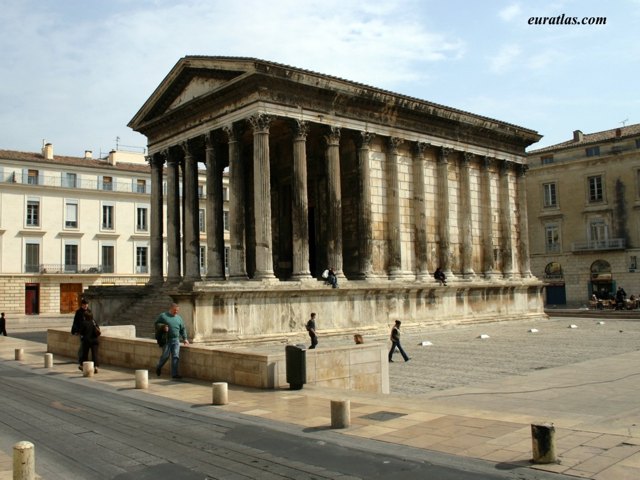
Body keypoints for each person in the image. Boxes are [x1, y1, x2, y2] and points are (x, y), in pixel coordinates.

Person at [155, 303, 189, 379]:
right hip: (166, 340)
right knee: (165, 356)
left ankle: (175, 374)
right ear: (171, 309)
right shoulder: (163, 316)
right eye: (175, 310)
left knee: (175, 356)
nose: (176, 312)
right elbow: (156, 324)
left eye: (177, 311)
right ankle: (158, 366)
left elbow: (183, 329)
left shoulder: (179, 318)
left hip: (176, 340)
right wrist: (163, 327)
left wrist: (185, 339)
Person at [71, 299, 90, 364]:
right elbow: (75, 321)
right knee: (82, 345)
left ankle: (84, 359)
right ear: (82, 305)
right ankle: (80, 359)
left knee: (85, 346)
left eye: (87, 304)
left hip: (88, 331)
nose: (86, 306)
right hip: (81, 331)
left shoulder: (89, 311)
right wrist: (75, 330)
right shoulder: (78, 312)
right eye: (84, 304)